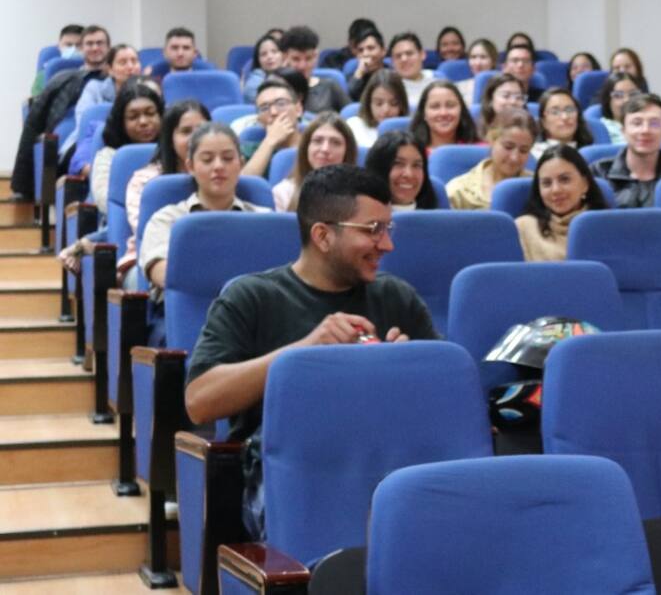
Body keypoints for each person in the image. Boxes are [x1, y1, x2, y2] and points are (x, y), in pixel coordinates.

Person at [185, 164, 437, 537]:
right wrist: (304, 352)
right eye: (373, 230)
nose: (387, 245)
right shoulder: (251, 297)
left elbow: (446, 403)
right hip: (295, 474)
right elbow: (199, 401)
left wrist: (407, 369)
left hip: (390, 464)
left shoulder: (396, 297)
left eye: (388, 228)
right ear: (322, 235)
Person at [139, 122, 268, 341]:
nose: (218, 166)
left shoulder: (264, 219)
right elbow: (163, 274)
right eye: (207, 159)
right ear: (190, 166)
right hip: (186, 319)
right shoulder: (168, 219)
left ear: (241, 163)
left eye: (228, 158)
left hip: (255, 320)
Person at [59, 99, 207, 277]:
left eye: (202, 130)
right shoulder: (146, 181)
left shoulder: (220, 177)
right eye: (185, 132)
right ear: (170, 138)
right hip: (148, 259)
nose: (195, 138)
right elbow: (147, 235)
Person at [12, 24, 109, 199]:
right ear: (81, 48)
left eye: (100, 43)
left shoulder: (119, 79)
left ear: (108, 47)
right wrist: (22, 184)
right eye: (90, 43)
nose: (95, 48)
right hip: (71, 137)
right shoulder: (62, 78)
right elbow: (35, 121)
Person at [590, 93, 661, 208]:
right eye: (637, 123)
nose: (645, 130)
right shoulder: (598, 173)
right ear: (623, 131)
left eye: (654, 123)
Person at [516, 144, 607, 261]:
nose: (556, 190)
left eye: (564, 179)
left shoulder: (604, 226)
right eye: (547, 183)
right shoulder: (523, 228)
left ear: (585, 184)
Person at [87, 80, 164, 215]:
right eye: (133, 117)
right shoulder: (108, 156)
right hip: (121, 222)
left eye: (150, 113)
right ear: (121, 123)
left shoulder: (172, 150)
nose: (143, 122)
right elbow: (105, 200)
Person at [446, 109, 536, 210]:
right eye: (508, 147)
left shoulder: (538, 188)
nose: (514, 158)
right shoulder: (459, 191)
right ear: (491, 140)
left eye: (523, 150)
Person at [65, 43, 143, 157]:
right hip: (86, 145)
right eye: (123, 62)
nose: (130, 67)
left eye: (134, 61)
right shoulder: (94, 88)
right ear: (110, 69)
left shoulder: (147, 91)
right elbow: (84, 123)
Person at [272, 113, 357, 211]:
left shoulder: (362, 196)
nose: (325, 149)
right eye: (318, 141)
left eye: (336, 143)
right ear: (306, 148)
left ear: (347, 151)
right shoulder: (284, 192)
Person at [241, 77, 304, 179]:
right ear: (259, 120)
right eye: (264, 108)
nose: (274, 112)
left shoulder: (316, 143)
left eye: (281, 103)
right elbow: (245, 185)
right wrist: (270, 141)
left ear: (298, 109)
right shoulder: (249, 150)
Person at [279, 25, 349, 114]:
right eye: (296, 59)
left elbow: (351, 118)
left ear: (316, 57)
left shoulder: (330, 87)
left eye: (308, 59)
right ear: (285, 57)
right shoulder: (274, 90)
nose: (302, 66)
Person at [364, 130, 440, 210]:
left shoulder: (436, 217)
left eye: (416, 165)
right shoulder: (359, 217)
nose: (409, 174)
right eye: (398, 163)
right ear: (378, 168)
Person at [346, 69, 408, 150]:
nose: (386, 110)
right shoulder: (354, 126)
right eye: (379, 103)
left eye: (394, 104)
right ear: (368, 103)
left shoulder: (411, 129)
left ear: (402, 105)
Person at [409, 80, 478, 151]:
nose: (443, 113)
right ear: (423, 113)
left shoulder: (480, 150)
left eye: (450, 105)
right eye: (435, 106)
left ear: (461, 111)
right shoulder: (411, 152)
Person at [532, 88, 593, 159]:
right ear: (543, 122)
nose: (565, 117)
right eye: (555, 112)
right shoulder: (534, 155)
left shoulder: (591, 153)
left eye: (570, 110)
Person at [30, 24, 84, 96]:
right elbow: (36, 102)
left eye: (79, 45)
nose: (74, 49)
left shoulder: (94, 70)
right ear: (59, 46)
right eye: (68, 45)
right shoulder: (44, 74)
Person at [594, 72, 643, 145]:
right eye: (618, 95)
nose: (627, 100)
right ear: (608, 100)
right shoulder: (600, 128)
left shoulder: (647, 124)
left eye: (633, 94)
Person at [388, 32, 434, 106]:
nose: (404, 59)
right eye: (398, 56)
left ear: (422, 55)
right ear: (392, 62)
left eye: (409, 53)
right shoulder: (387, 88)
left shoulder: (436, 80)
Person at [477, 72, 527, 138]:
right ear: (490, 99)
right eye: (506, 96)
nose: (513, 102)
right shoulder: (474, 132)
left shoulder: (530, 131)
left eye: (518, 97)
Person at [346, 27, 387, 102]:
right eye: (360, 50)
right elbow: (347, 99)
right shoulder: (354, 76)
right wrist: (359, 73)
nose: (365, 54)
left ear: (383, 51)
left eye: (371, 48)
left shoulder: (393, 73)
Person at [241, 33, 284, 103]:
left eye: (274, 52)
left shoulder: (290, 74)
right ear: (258, 60)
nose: (269, 57)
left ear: (283, 55)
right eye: (264, 54)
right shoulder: (254, 82)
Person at [457, 37, 498, 103]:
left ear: (493, 61)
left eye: (483, 57)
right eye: (473, 57)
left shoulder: (503, 87)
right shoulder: (459, 88)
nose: (477, 63)